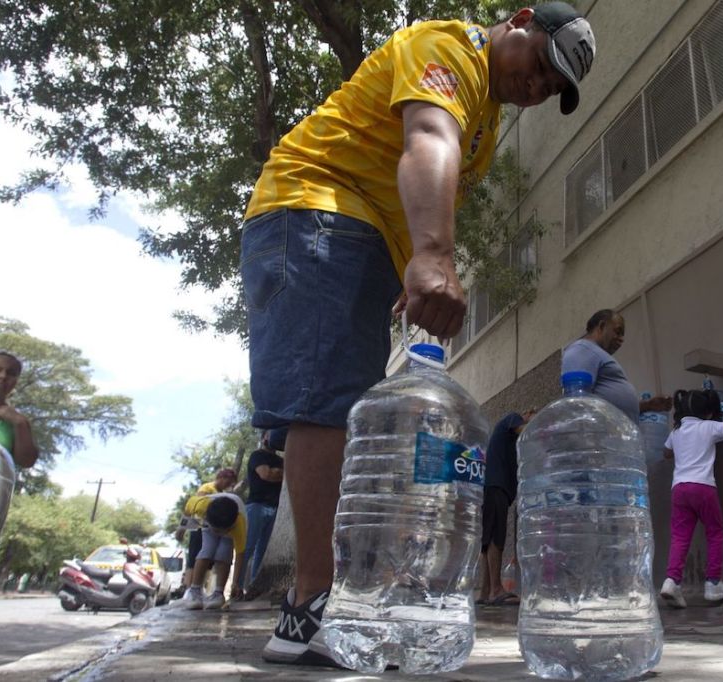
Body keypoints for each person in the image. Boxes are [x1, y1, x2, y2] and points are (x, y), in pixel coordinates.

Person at [239, 2, 595, 667]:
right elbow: (427, 135)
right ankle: (311, 606)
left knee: (342, 402)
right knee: (325, 400)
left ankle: (327, 597)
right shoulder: (449, 47)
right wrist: (432, 253)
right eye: (543, 65)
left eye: (553, 89)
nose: (540, 88)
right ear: (518, 21)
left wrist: (407, 257)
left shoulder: (487, 118)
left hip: (359, 236)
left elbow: (439, 168)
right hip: (317, 207)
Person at [659, 388, 723, 608]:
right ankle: (713, 584)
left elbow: (665, 453)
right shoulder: (708, 427)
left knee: (680, 537)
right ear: (707, 411)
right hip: (703, 487)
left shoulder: (676, 432)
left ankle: (672, 581)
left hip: (679, 489)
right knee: (715, 532)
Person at [561, 309, 671, 423]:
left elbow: (612, 405)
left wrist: (647, 406)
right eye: (618, 332)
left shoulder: (594, 353)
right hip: (601, 438)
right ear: (602, 326)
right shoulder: (582, 349)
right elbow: (577, 402)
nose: (621, 339)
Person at [478, 409, 535, 605]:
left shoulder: (511, 440)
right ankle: (495, 590)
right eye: (534, 416)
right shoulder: (513, 418)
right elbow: (524, 429)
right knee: (496, 537)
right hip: (496, 485)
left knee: (488, 538)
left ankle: (485, 591)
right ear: (527, 414)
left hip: (494, 486)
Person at [176, 490, 247, 610]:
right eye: (216, 530)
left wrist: (235, 582)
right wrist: (181, 530)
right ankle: (194, 592)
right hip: (208, 521)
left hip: (229, 522)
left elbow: (240, 554)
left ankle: (218, 594)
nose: (217, 534)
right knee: (207, 550)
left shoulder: (239, 524)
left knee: (224, 554)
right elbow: (187, 511)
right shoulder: (199, 505)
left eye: (220, 531)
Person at [174, 468, 238, 600]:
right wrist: (182, 529)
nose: (229, 485)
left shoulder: (222, 494)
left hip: (213, 528)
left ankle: (199, 588)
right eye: (228, 482)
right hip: (199, 526)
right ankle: (189, 589)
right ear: (222, 478)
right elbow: (194, 507)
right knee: (195, 557)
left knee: (209, 560)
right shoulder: (207, 488)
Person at [239, 428, 285, 591]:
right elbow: (266, 474)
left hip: (274, 509)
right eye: (271, 433)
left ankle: (255, 587)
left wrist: (278, 472)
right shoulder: (257, 455)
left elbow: (280, 474)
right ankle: (236, 587)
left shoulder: (280, 460)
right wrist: (282, 472)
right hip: (256, 507)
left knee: (263, 551)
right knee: (248, 546)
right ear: (264, 436)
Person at [0, 351, 39, 468]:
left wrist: (20, 423)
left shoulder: (15, 422)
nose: (3, 376)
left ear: (15, 382)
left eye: (11, 373)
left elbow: (26, 462)